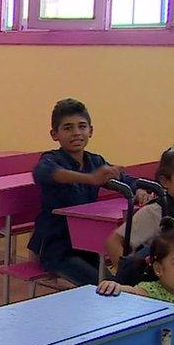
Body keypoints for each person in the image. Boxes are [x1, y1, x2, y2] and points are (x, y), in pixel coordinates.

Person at [28, 98, 148, 285]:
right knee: (105, 286)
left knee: (121, 281)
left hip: (85, 245)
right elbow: (45, 173)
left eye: (82, 127)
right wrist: (91, 179)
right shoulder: (51, 159)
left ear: (90, 131)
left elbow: (123, 179)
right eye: (68, 128)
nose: (76, 133)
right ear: (54, 134)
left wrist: (139, 189)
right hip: (55, 249)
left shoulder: (95, 161)